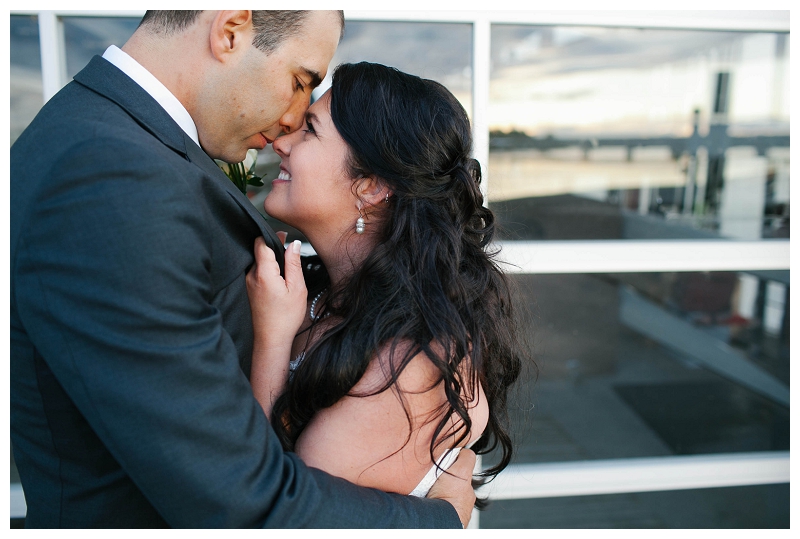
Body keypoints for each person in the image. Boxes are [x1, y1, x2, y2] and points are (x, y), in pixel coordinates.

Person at [10, 11, 476, 528]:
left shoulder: (127, 144)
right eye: (300, 81)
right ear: (230, 31)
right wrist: (438, 522)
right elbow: (235, 498)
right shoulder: (110, 172)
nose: (292, 121)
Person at [245, 62, 524, 501]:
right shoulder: (318, 295)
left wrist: (273, 341)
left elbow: (268, 506)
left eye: (310, 131)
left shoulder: (406, 369)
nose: (280, 143)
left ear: (372, 186)